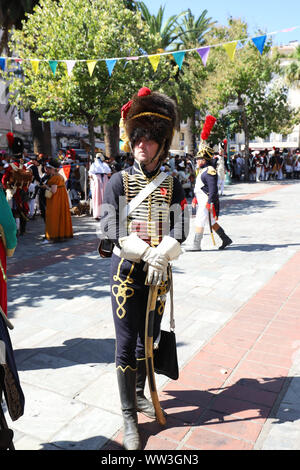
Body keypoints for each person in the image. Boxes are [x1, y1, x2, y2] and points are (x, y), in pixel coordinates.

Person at [100, 87, 189, 450]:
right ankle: (128, 417)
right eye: (137, 136)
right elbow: (110, 228)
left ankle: (138, 395)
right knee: (125, 345)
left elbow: (181, 227)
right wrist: (145, 252)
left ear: (162, 144)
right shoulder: (117, 181)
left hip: (159, 276)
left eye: (149, 139)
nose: (141, 144)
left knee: (147, 340)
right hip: (126, 274)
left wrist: (163, 252)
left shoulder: (175, 183)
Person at [185, 139, 232, 252]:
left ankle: (196, 245)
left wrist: (210, 202)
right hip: (201, 200)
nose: (197, 161)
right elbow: (201, 188)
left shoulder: (210, 171)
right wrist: (195, 199)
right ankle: (225, 239)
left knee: (199, 221)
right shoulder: (203, 170)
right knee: (211, 221)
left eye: (199, 159)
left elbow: (213, 189)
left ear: (204, 160)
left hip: (206, 202)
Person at [44, 158, 73, 242]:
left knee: (54, 217)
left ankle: (53, 235)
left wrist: (45, 187)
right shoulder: (60, 176)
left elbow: (53, 191)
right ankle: (61, 234)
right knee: (61, 216)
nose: (47, 170)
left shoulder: (55, 178)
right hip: (62, 199)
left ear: (52, 169)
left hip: (55, 201)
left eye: (48, 168)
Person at [89, 153, 111, 220]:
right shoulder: (104, 165)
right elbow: (109, 174)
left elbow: (90, 175)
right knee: (104, 196)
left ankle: (97, 214)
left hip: (97, 180)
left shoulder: (94, 165)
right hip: (103, 179)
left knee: (97, 197)